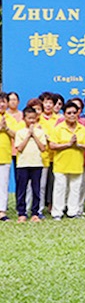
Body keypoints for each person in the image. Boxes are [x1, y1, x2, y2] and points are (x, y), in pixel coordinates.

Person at [49, 103, 85, 219]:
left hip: (77, 163)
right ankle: (57, 212)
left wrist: (78, 144)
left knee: (75, 188)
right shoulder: (58, 128)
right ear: (64, 114)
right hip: (61, 164)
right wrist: (68, 144)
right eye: (69, 113)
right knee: (60, 189)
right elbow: (52, 145)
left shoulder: (82, 128)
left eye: (74, 113)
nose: (72, 115)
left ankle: (73, 211)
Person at [14, 106, 46, 222]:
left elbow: (43, 148)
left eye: (33, 118)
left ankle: (35, 213)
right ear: (24, 119)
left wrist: (34, 135)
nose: (31, 121)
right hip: (23, 164)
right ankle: (22, 213)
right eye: (29, 118)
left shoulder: (40, 132)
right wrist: (28, 135)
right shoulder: (20, 133)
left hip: (37, 164)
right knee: (22, 189)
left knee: (36, 189)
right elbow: (20, 148)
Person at [0, 92, 19, 221]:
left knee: (3, 185)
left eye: (4, 102)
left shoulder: (10, 119)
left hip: (5, 155)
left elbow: (16, 135)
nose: (1, 104)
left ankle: (2, 211)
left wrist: (6, 128)